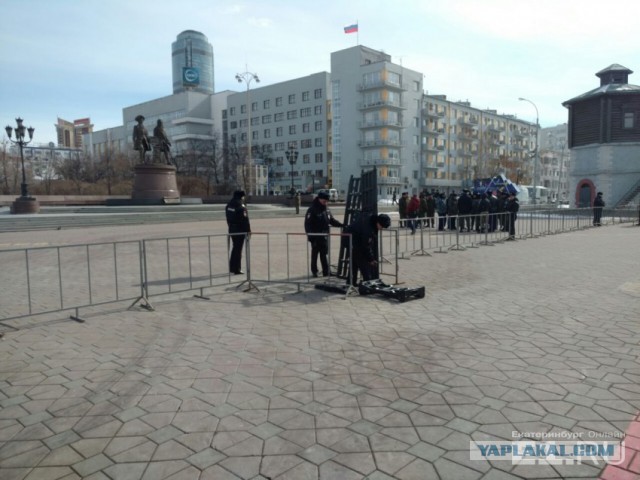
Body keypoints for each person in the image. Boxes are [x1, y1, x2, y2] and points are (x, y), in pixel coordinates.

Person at [344, 213, 391, 285]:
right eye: (381, 226)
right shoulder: (368, 228)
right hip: (352, 240)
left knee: (355, 262)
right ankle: (367, 283)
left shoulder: (372, 222)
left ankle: (351, 282)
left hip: (353, 238)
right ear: (378, 222)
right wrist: (371, 259)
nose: (381, 228)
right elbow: (365, 246)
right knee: (362, 262)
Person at [304, 191, 343, 277]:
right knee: (315, 254)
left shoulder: (326, 209)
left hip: (324, 235)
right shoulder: (312, 209)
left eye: (327, 201)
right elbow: (307, 225)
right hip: (315, 236)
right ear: (319, 199)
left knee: (324, 254)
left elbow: (332, 220)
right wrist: (311, 237)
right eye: (324, 201)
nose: (326, 202)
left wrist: (341, 225)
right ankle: (314, 271)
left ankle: (326, 271)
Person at [226, 190, 251, 274]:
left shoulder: (229, 204)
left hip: (232, 228)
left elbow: (228, 218)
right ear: (241, 196)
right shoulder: (241, 205)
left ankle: (232, 267)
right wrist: (248, 231)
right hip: (240, 230)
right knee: (238, 249)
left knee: (235, 248)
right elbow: (245, 220)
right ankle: (237, 269)